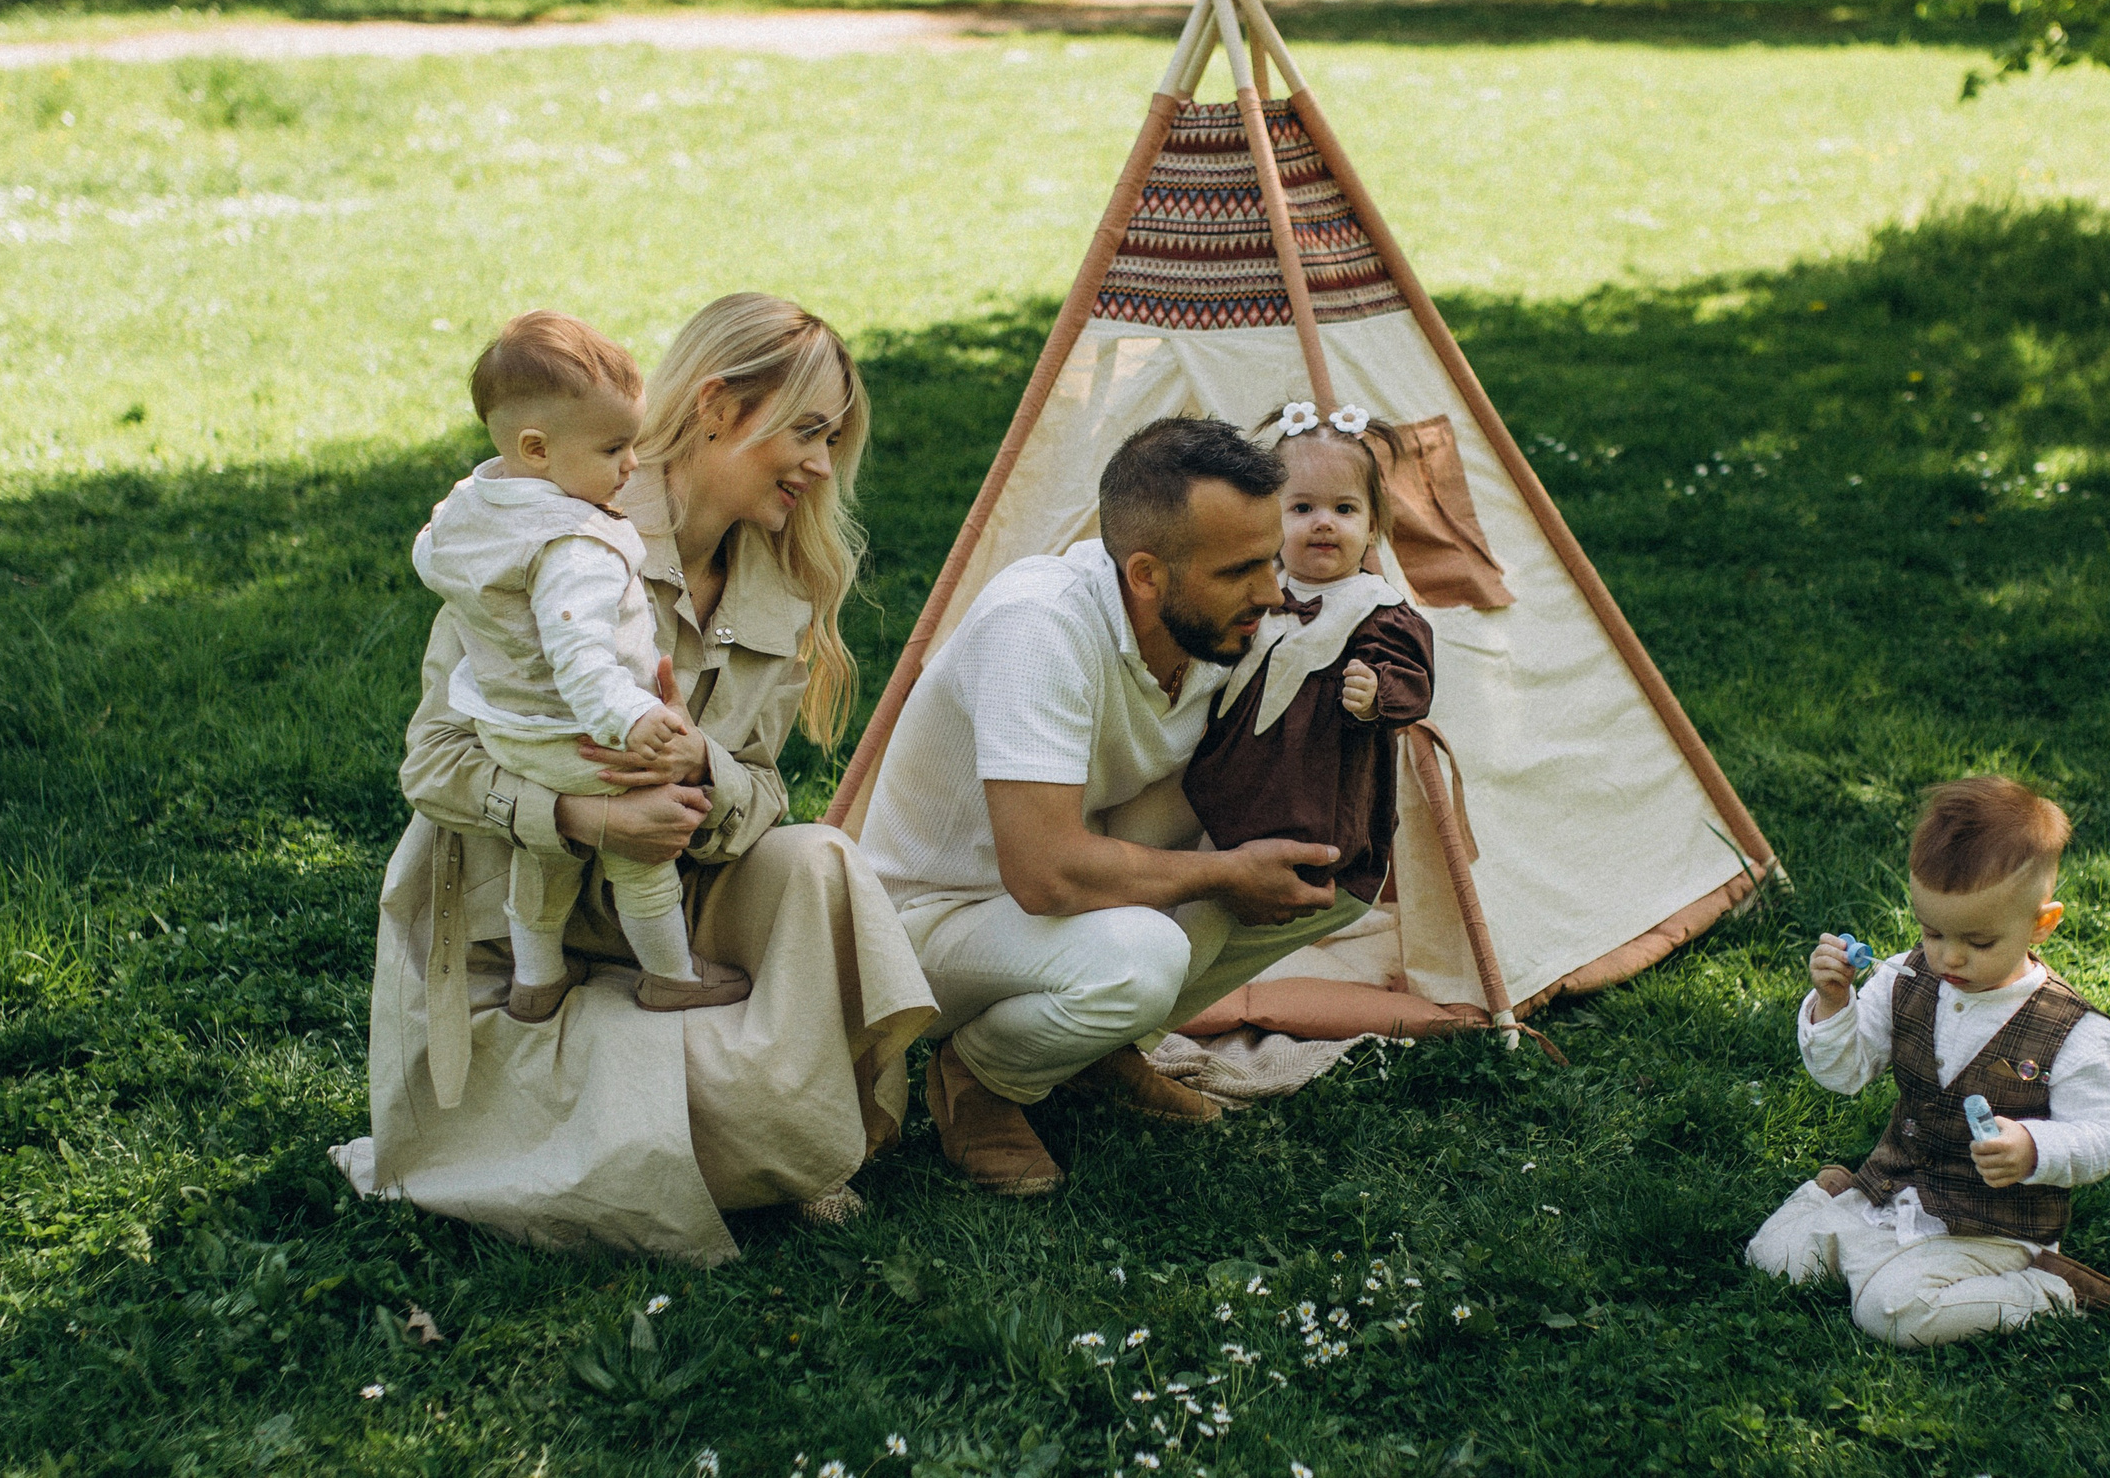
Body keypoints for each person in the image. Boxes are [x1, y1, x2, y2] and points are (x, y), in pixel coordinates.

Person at [340, 294, 935, 1266]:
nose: (823, 466)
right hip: (524, 938)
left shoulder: (778, 584)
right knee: (768, 1117)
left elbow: (762, 789)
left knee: (821, 859)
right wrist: (581, 816)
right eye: (808, 432)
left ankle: (732, 1113)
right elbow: (433, 763)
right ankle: (731, 1122)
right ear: (714, 407)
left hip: (666, 920)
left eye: (832, 440)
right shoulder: (550, 533)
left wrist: (701, 772)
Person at [859, 416, 1366, 1197]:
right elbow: (1045, 874)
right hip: (930, 921)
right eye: (1240, 571)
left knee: (1330, 869)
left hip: (1075, 889)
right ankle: (980, 1077)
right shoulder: (1041, 624)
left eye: (1272, 559)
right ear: (1145, 576)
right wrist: (1224, 873)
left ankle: (1096, 1048)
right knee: (1144, 956)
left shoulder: (1222, 630)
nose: (1272, 593)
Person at [413, 310, 748, 1023]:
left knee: (544, 856)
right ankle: (671, 974)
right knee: (640, 856)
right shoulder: (576, 545)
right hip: (583, 734)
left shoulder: (473, 506)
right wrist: (635, 719)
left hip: (508, 729)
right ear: (537, 449)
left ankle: (537, 981)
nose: (633, 464)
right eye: (614, 447)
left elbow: (428, 552)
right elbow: (582, 659)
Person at [1744, 776, 2110, 1347]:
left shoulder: (2072, 1029)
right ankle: (1846, 1207)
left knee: (1894, 1314)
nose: (1950, 956)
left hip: (1989, 1229)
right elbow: (1843, 1074)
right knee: (1770, 1257)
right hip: (1892, 1194)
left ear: (2041, 924)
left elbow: (2108, 1134)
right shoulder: (1906, 979)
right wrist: (1833, 1004)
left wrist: (2033, 1148)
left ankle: (2051, 1290)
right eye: (1932, 932)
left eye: (1978, 942)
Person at [1181, 400, 1434, 917]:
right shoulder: (1260, 589)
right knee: (1161, 852)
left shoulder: (1377, 610)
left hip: (1308, 796)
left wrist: (1375, 694)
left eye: (1344, 510)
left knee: (1209, 918)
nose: (1324, 524)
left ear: (1371, 528)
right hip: (1220, 778)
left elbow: (1413, 682)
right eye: (1301, 509)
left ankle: (1166, 971)